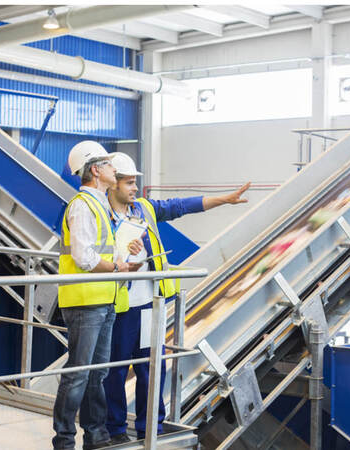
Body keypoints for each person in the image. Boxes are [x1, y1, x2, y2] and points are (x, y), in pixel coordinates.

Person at [103, 152, 251, 444]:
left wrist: (225, 199)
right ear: (113, 184)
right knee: (115, 370)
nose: (135, 189)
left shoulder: (143, 209)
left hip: (149, 305)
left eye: (135, 183)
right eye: (129, 183)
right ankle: (116, 431)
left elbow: (180, 206)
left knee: (151, 368)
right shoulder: (100, 215)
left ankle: (151, 428)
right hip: (120, 307)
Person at [52, 141, 143, 450]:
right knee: (78, 373)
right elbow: (83, 256)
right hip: (84, 300)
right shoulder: (81, 205)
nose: (112, 170)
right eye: (107, 165)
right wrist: (115, 266)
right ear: (95, 171)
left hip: (104, 298)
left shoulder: (100, 205)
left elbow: (102, 248)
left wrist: (125, 253)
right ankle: (64, 441)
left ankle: (95, 435)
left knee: (97, 373)